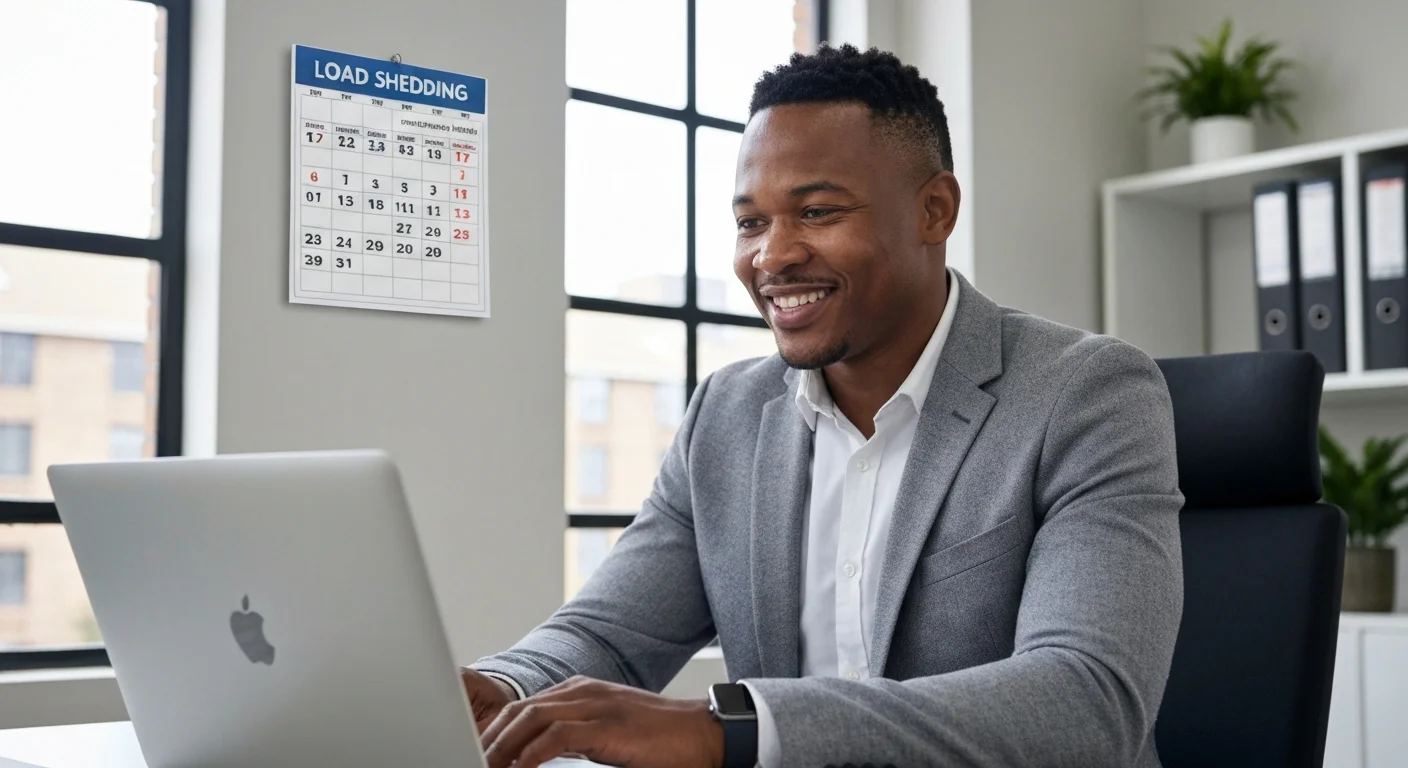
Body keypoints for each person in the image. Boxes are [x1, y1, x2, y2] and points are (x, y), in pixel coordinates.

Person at [463, 44, 1185, 768]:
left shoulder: (1087, 393)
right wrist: (503, 686)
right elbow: (611, 635)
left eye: (816, 211)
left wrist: (736, 730)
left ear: (935, 210)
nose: (772, 257)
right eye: (751, 223)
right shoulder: (728, 415)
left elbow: (1086, 703)